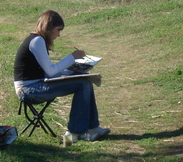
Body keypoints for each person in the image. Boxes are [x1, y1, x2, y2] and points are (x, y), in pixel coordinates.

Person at [13, 9, 110, 143]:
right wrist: (72, 57)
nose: (58, 35)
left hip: (36, 85)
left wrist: (73, 72)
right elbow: (51, 72)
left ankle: (92, 128)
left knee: (85, 80)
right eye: (58, 30)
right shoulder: (36, 41)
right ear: (48, 27)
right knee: (82, 84)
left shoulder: (38, 40)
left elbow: (48, 72)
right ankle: (74, 133)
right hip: (28, 90)